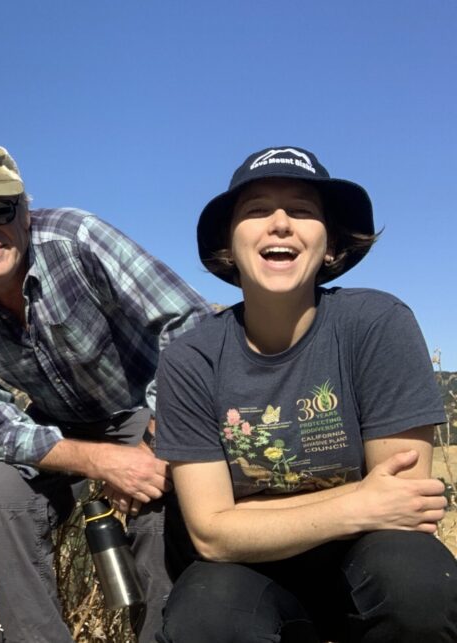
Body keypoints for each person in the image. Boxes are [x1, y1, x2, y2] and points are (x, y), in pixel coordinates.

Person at [154, 146, 457, 642]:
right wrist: (359, 500)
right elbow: (210, 534)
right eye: (255, 210)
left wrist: (243, 518)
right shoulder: (191, 358)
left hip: (366, 559)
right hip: (249, 574)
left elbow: (402, 504)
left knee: (418, 584)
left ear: (331, 246)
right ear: (229, 247)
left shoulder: (377, 324)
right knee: (204, 618)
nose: (279, 223)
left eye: (301, 210)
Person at [0, 144, 209, 642]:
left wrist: (152, 444)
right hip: (62, 422)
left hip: (146, 404)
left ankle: (164, 634)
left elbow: (190, 324)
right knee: (6, 487)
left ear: (25, 211)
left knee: (156, 497)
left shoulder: (78, 238)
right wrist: (103, 463)